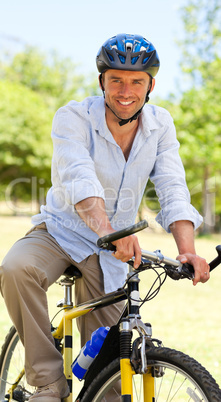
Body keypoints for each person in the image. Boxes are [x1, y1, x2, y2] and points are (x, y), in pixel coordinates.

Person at [0, 33, 209, 401]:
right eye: (116, 79)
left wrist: (187, 249)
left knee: (110, 383)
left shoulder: (161, 126)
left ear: (151, 85)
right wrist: (110, 231)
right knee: (17, 267)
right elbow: (79, 177)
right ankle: (48, 382)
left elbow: (173, 187)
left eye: (136, 81)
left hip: (111, 252)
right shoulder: (73, 117)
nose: (125, 90)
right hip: (62, 231)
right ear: (102, 82)